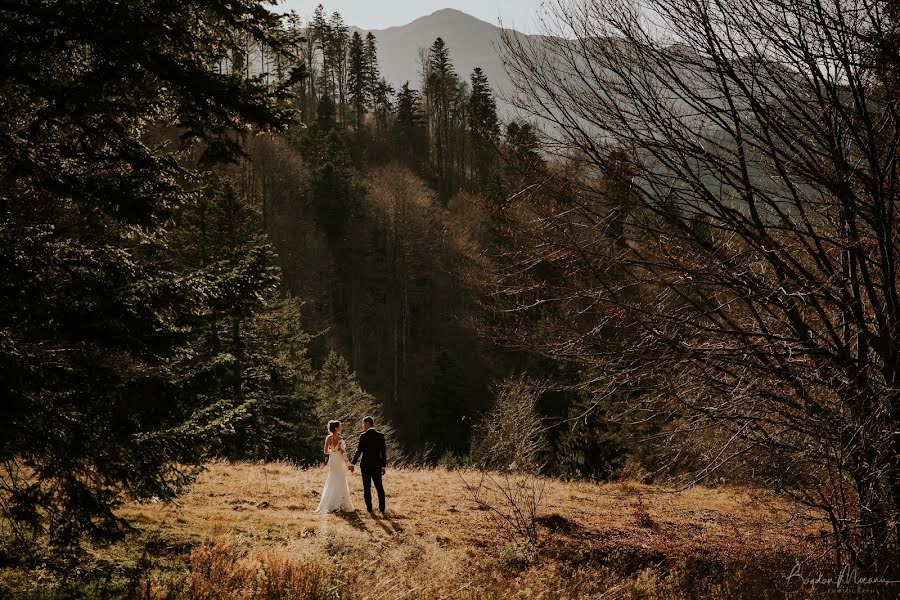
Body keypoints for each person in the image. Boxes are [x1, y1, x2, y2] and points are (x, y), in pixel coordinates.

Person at [314, 420, 354, 513]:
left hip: (332, 459)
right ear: (336, 428)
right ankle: (339, 503)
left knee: (332, 479)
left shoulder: (328, 438)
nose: (341, 428)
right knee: (341, 479)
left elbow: (325, 451)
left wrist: (333, 451)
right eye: (340, 426)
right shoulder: (340, 439)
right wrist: (348, 463)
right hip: (339, 460)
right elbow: (343, 453)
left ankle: (329, 502)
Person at [351, 416, 387, 515]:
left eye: (363, 424)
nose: (362, 426)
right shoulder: (380, 435)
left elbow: (358, 451)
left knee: (367, 488)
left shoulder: (363, 436)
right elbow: (383, 452)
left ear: (368, 423)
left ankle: (369, 509)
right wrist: (383, 466)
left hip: (365, 466)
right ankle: (382, 509)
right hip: (377, 466)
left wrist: (353, 463)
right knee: (379, 487)